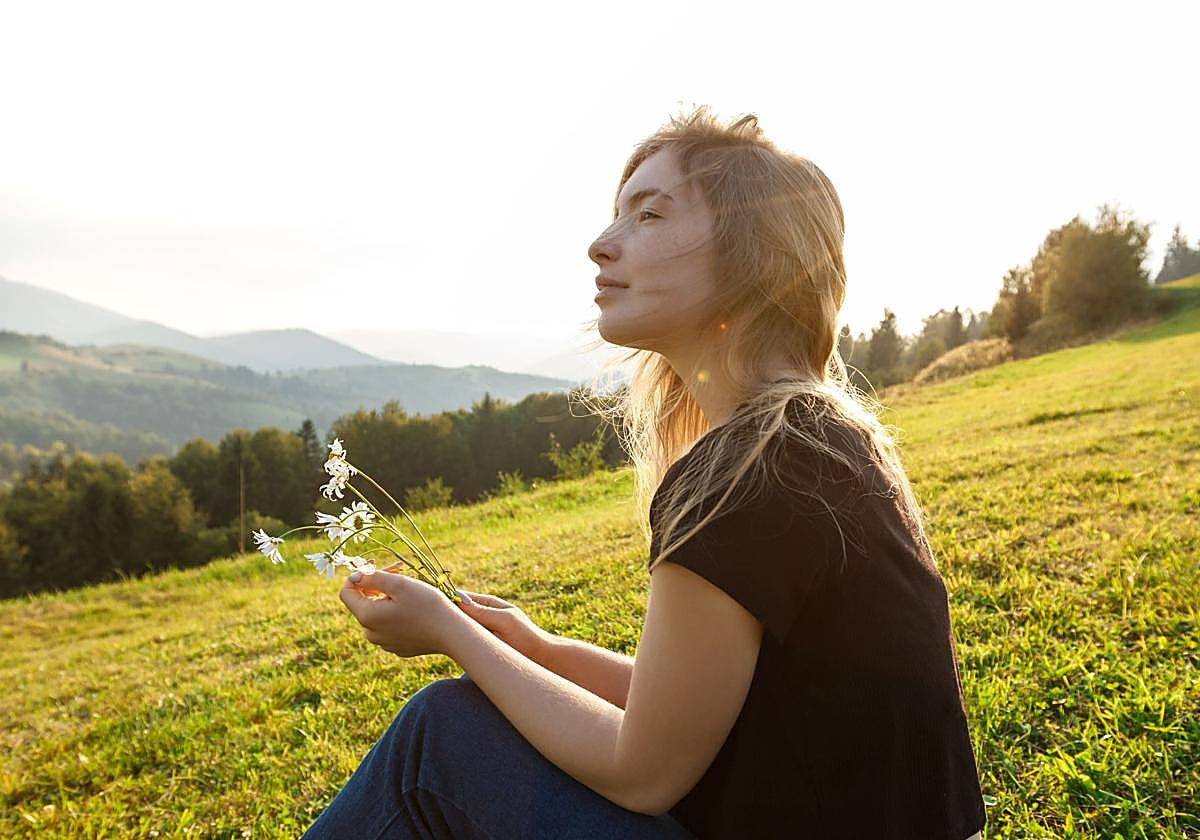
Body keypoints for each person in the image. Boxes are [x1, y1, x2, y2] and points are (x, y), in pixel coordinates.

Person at [302, 106, 987, 839]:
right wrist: (534, 648)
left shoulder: (747, 471)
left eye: (650, 217)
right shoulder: (811, 438)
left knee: (437, 739)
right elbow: (691, 711)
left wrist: (447, 630)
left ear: (752, 256)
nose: (602, 246)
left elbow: (644, 771)